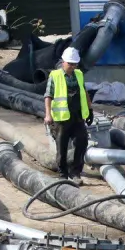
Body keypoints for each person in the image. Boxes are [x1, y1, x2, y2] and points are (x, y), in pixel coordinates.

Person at [42, 47, 91, 183]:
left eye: (75, 64)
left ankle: (76, 172)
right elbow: (48, 96)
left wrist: (89, 109)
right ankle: (63, 173)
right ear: (63, 62)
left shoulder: (79, 75)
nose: (72, 66)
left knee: (82, 141)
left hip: (77, 115)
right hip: (62, 118)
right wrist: (48, 115)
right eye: (70, 64)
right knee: (62, 147)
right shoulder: (55, 76)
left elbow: (84, 92)